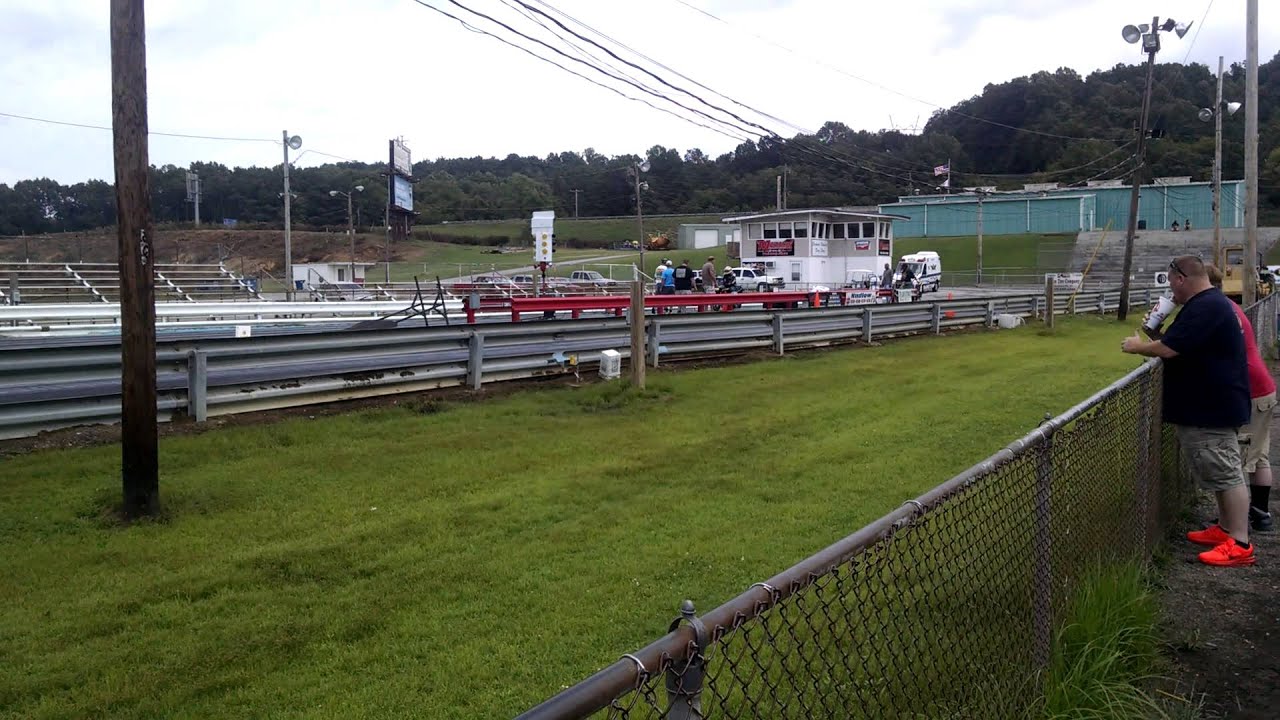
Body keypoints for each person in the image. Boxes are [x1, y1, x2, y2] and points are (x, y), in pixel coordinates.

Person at [1122, 255, 1254, 566]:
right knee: (1217, 471)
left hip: (1212, 406)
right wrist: (1155, 333)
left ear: (1181, 279)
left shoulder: (1207, 306)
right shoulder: (1204, 305)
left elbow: (1170, 349)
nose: (1171, 290)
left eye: (1171, 283)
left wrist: (1137, 346)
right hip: (1207, 404)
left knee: (1227, 472)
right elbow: (1177, 343)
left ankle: (1239, 542)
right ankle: (1225, 530)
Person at [1205, 265, 1274, 530]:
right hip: (1260, 387)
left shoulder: (1218, 310)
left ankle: (1239, 521)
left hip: (1249, 390)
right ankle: (1260, 513)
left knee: (1237, 459)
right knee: (1258, 455)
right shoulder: (1228, 308)